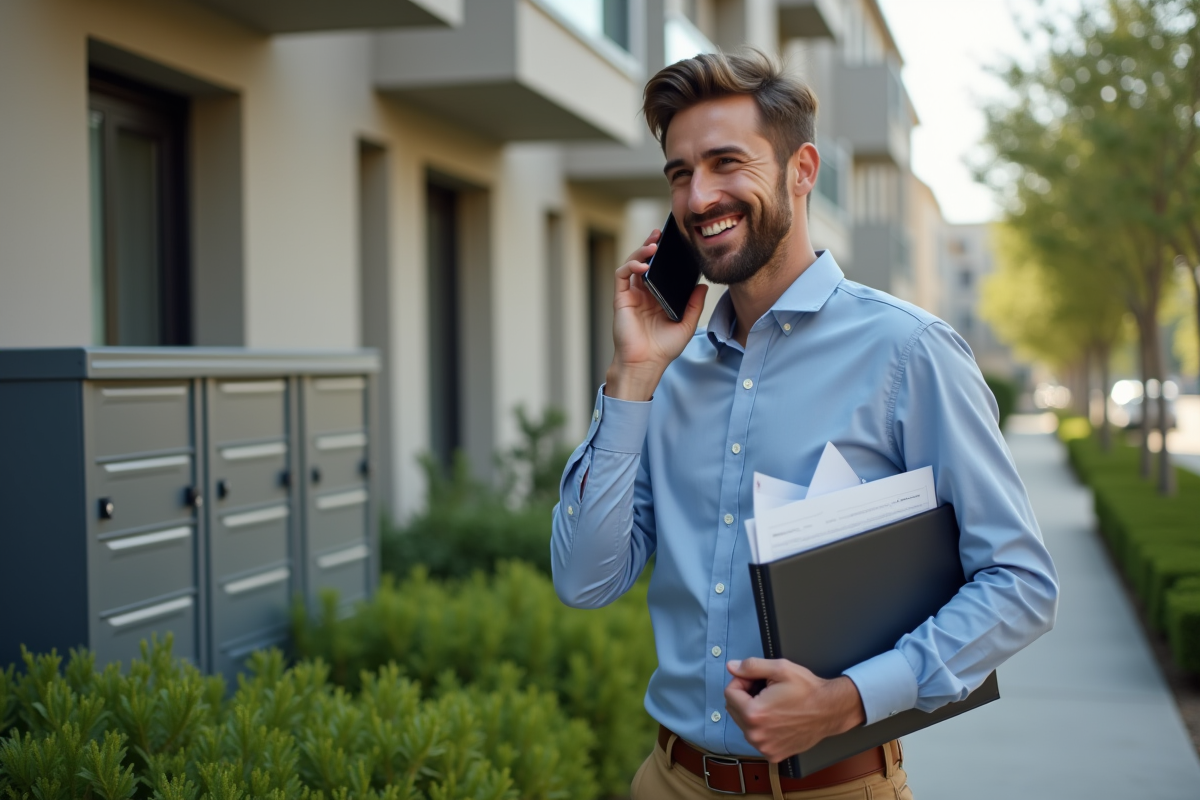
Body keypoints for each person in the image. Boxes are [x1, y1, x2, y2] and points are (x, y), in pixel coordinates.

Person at [550, 49, 1058, 800]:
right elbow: (586, 581)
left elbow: (1020, 584)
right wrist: (630, 380)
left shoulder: (908, 353)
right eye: (681, 173)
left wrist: (848, 700)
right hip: (667, 781)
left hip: (835, 788)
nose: (699, 196)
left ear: (802, 169)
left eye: (727, 162)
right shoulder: (668, 371)